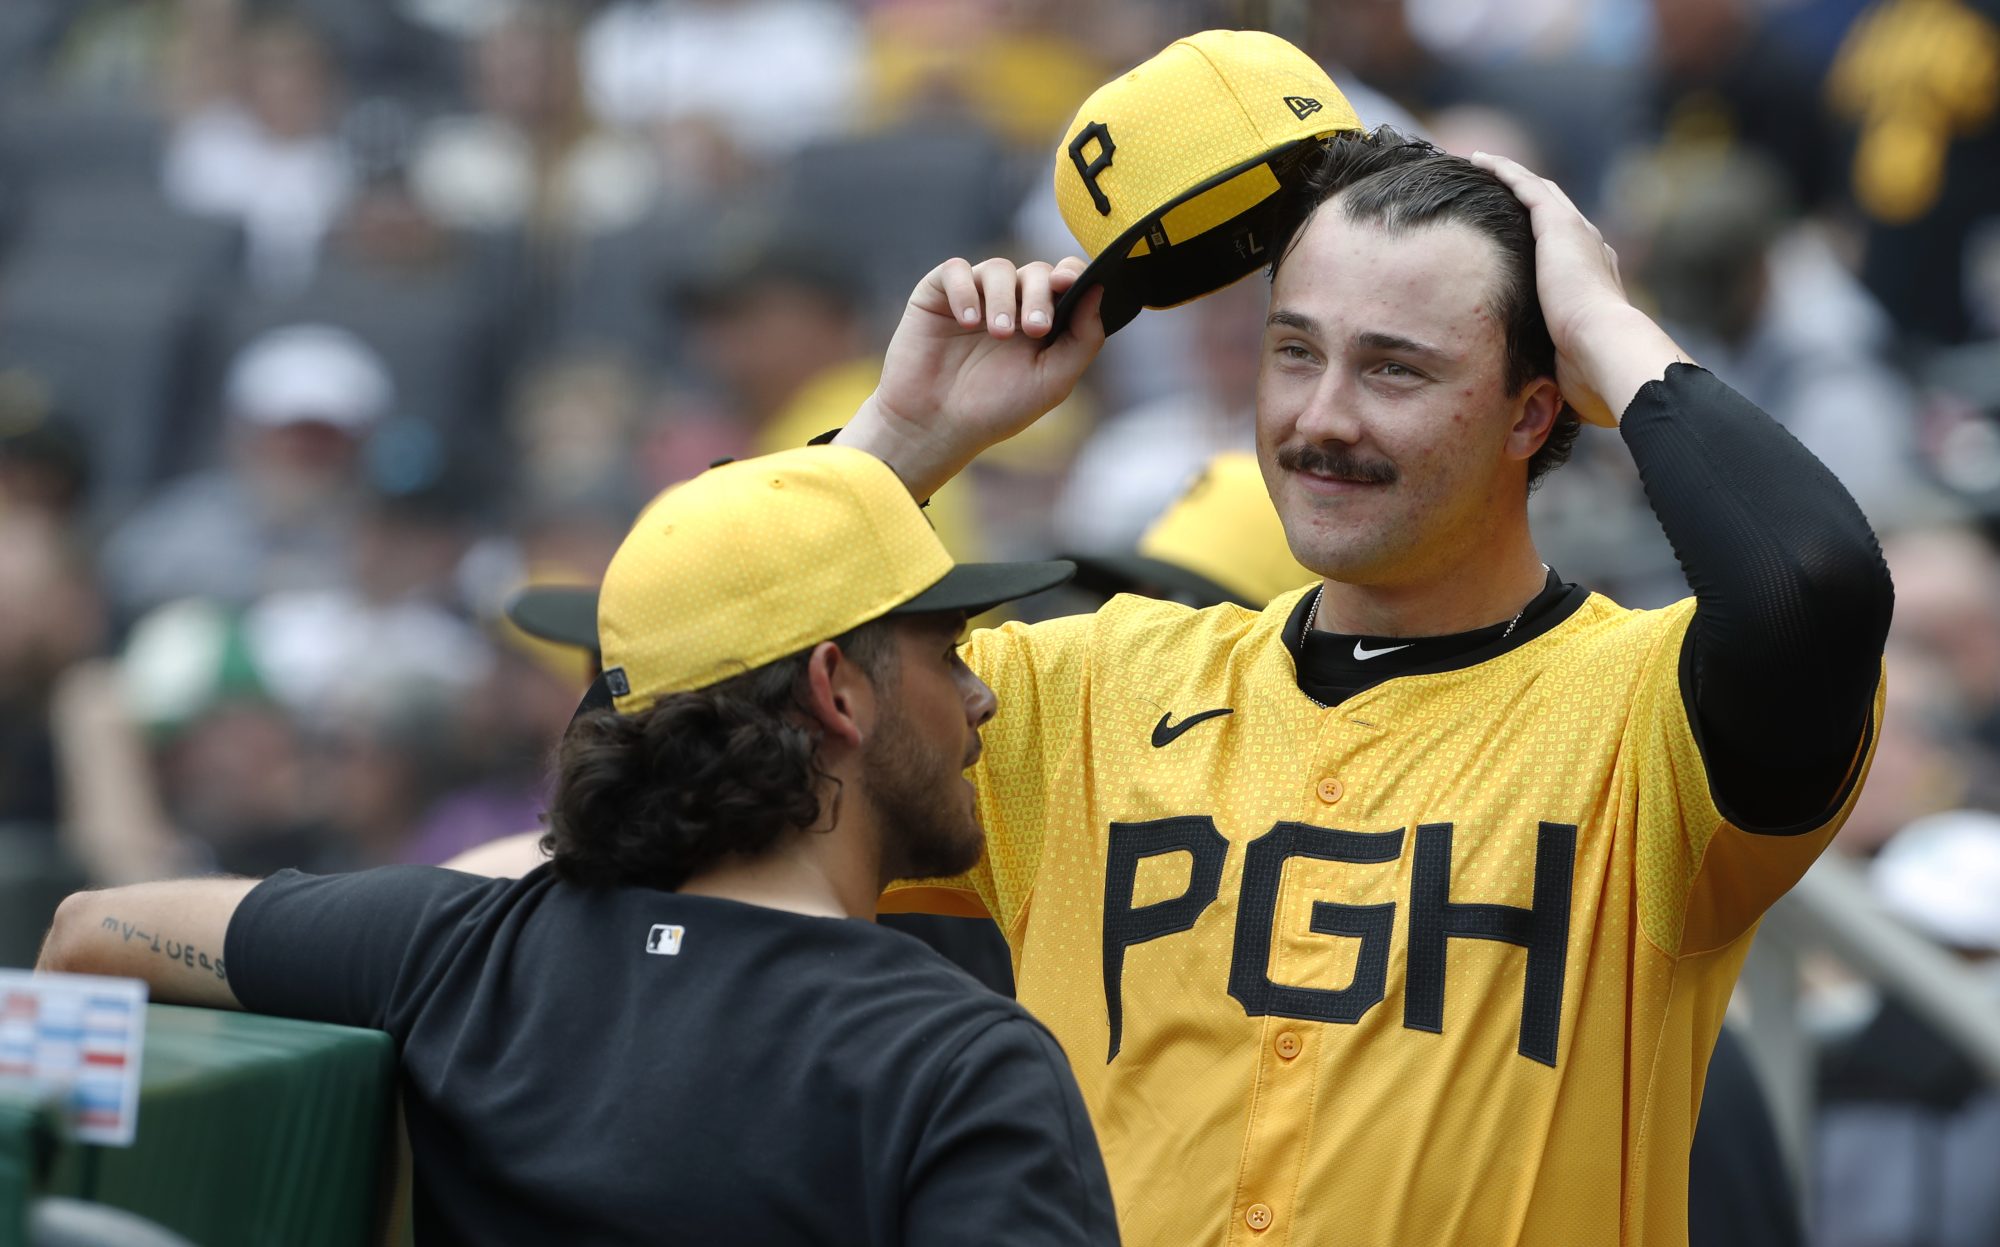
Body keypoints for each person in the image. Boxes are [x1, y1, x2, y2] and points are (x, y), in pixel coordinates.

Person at [844, 30, 1891, 1245]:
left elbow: (1804, 582)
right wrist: (902, 441)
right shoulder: (1085, 688)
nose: (1319, 417)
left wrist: (1603, 325)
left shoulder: (1643, 717)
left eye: (1395, 370)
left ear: (1533, 411)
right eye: (1294, 351)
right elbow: (690, 730)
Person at [38, 447, 1120, 1246]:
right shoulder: (960, 1058)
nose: (980, 696)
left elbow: (91, 930)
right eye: (950, 654)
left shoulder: (457, 947)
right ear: (837, 689)